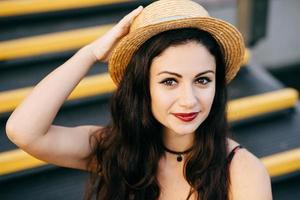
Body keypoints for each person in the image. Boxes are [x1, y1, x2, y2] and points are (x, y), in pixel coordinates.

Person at [6, 0, 272, 199]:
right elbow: (24, 132)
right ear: (142, 86)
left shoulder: (242, 171)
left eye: (202, 80)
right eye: (170, 81)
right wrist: (90, 53)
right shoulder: (118, 150)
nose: (189, 100)